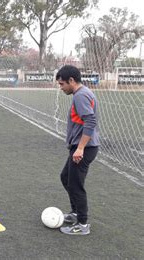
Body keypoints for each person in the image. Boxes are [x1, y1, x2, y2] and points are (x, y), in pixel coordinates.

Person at [56, 65, 100, 235]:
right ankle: (75, 213)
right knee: (65, 177)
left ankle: (82, 224)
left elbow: (90, 121)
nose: (61, 88)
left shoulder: (80, 96)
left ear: (71, 81)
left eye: (62, 84)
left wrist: (80, 148)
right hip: (81, 146)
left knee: (75, 185)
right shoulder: (82, 93)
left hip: (85, 147)